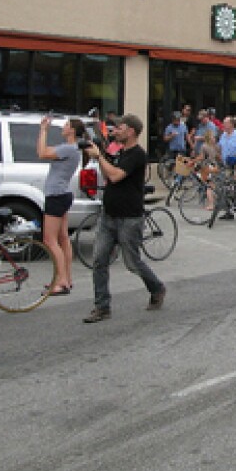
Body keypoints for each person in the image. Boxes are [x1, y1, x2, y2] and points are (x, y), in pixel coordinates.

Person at [82, 114, 166, 323]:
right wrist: (100, 155)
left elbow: (116, 175)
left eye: (120, 128)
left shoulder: (138, 155)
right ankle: (102, 307)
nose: (115, 130)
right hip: (108, 214)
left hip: (129, 218)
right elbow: (107, 173)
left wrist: (99, 157)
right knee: (99, 260)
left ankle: (157, 288)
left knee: (132, 262)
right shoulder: (116, 149)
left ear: (130, 131)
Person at [37, 116, 87, 295]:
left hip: (56, 195)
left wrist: (43, 130)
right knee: (63, 238)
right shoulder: (73, 149)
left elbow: (42, 153)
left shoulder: (68, 148)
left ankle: (61, 281)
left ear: (72, 130)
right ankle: (67, 278)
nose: (63, 127)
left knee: (49, 240)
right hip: (63, 194)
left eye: (67, 125)